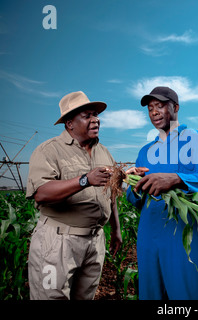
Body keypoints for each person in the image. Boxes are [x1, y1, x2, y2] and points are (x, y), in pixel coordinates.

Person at [126, 86, 198, 300]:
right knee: (152, 295)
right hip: (149, 236)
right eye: (150, 108)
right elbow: (134, 199)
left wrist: (177, 179)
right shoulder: (145, 152)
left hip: (184, 236)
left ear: (175, 107)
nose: (154, 112)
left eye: (160, 106)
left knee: (189, 295)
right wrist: (132, 185)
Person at [26, 91, 122, 300]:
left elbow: (112, 193)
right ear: (69, 123)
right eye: (87, 116)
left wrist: (116, 229)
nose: (95, 119)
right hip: (58, 241)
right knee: (50, 296)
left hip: (95, 241)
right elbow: (41, 193)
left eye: (96, 115)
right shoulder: (48, 151)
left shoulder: (103, 152)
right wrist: (85, 180)